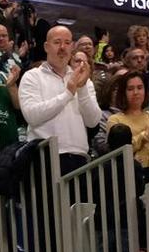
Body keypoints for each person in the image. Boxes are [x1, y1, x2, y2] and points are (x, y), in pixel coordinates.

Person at [13, 24, 102, 175]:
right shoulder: (32, 76)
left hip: (80, 156)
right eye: (57, 42)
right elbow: (32, 116)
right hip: (43, 158)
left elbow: (93, 121)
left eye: (67, 43)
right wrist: (68, 93)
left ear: (73, 47)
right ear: (46, 47)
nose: (63, 47)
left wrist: (81, 89)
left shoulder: (83, 80)